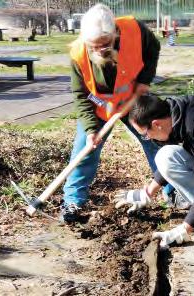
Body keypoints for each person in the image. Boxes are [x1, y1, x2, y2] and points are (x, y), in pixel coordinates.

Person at [61, 4, 161, 222]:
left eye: (104, 44)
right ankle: (72, 203)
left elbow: (153, 49)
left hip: (132, 99)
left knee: (155, 142)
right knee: (84, 150)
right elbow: (81, 95)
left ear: (114, 33)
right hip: (99, 106)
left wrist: (145, 80)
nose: (98, 50)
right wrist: (90, 129)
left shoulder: (136, 30)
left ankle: (175, 192)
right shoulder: (78, 54)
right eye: (93, 46)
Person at [114, 93, 194, 248]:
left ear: (156, 124)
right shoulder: (174, 113)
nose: (147, 138)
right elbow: (171, 162)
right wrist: (147, 193)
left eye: (145, 134)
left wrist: (185, 229)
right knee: (166, 156)